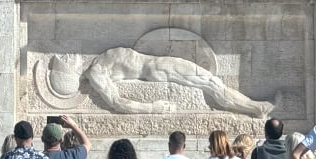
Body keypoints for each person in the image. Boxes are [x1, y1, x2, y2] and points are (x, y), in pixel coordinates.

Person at [80, 47, 273, 117]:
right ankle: (256, 108)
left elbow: (117, 103)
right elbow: (118, 104)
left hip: (159, 66)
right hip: (158, 68)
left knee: (213, 85)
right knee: (213, 85)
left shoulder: (97, 69)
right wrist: (153, 108)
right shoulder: (98, 69)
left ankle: (255, 107)